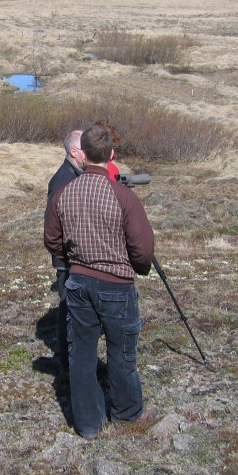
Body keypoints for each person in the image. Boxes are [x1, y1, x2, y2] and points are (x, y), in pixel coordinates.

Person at [44, 124, 155, 439]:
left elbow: (52, 240)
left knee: (81, 354)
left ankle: (89, 424)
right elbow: (143, 249)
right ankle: (128, 413)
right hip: (117, 286)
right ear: (111, 155)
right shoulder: (123, 196)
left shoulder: (65, 192)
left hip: (78, 283)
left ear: (83, 154)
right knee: (121, 352)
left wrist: (74, 258)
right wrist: (136, 266)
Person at [46, 130, 85, 373]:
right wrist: (68, 257)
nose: (89, 153)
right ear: (73, 151)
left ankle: (76, 363)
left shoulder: (76, 175)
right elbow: (53, 229)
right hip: (69, 263)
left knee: (76, 313)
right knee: (68, 312)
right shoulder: (62, 180)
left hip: (75, 260)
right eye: (85, 148)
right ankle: (68, 366)